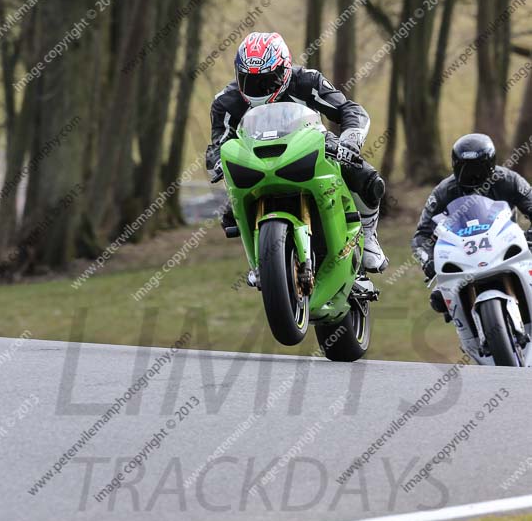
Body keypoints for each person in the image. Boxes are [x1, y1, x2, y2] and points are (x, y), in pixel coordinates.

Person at [205, 31, 389, 273]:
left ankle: (368, 234)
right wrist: (219, 163)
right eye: (248, 79)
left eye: (267, 80)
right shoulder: (225, 102)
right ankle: (260, 263)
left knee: (366, 177)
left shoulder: (307, 81)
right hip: (256, 161)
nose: (257, 87)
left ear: (284, 70)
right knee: (230, 212)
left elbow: (347, 109)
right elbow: (217, 144)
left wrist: (350, 141)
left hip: (308, 148)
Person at [412, 133, 532, 318]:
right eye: (465, 169)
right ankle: (469, 336)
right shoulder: (443, 192)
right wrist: (427, 260)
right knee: (439, 299)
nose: (473, 175)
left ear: (491, 164)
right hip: (463, 257)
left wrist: (529, 237)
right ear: (454, 166)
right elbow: (422, 235)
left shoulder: (510, 180)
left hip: (505, 248)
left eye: (478, 168)